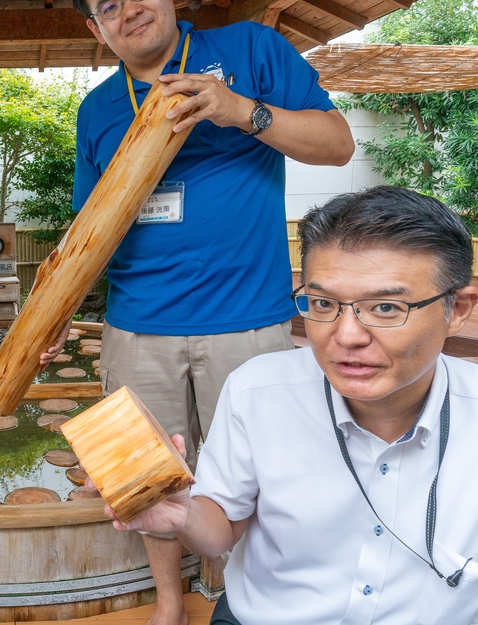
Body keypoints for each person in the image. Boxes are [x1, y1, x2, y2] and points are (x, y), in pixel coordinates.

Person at [66, 0, 355, 623]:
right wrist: (54, 316)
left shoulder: (251, 50)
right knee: (141, 481)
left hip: (247, 321)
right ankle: (170, 602)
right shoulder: (98, 111)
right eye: (109, 5)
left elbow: (337, 143)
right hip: (137, 327)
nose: (129, 10)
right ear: (95, 27)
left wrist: (239, 110)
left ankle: (240, 600)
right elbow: (87, 234)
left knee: (256, 478)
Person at [102, 186, 478, 625]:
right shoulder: (257, 391)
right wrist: (182, 513)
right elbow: (222, 526)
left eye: (386, 307)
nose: (348, 336)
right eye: (323, 303)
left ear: (458, 309)